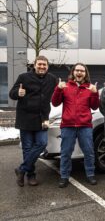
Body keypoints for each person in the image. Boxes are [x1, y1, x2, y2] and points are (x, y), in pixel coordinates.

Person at [9, 56, 57, 187]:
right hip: (25, 118)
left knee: (42, 143)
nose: (42, 67)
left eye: (44, 65)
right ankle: (30, 175)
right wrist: (18, 93)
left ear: (47, 66)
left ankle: (21, 169)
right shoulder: (23, 77)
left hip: (42, 118)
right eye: (39, 64)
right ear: (34, 65)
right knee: (27, 148)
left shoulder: (52, 79)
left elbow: (59, 93)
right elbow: (11, 93)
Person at [51, 63, 99, 188]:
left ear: (85, 73)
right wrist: (58, 89)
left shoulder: (90, 88)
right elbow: (55, 103)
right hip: (68, 125)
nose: (79, 73)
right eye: (77, 70)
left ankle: (90, 174)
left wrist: (94, 93)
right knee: (66, 152)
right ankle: (64, 176)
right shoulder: (65, 86)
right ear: (73, 72)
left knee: (88, 152)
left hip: (85, 126)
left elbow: (95, 106)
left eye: (82, 71)